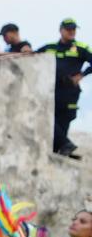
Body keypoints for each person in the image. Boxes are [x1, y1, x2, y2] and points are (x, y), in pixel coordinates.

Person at [35, 18, 92, 158]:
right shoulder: (50, 47)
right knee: (47, 118)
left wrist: (82, 75)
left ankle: (63, 148)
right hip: (52, 89)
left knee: (64, 120)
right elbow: (32, 55)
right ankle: (64, 145)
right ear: (61, 30)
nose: (71, 32)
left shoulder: (81, 48)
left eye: (74, 29)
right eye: (68, 29)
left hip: (69, 90)